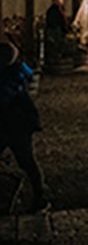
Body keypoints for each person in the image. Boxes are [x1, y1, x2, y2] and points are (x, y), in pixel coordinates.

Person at [0, 41, 50, 213]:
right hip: (17, 124)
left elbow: (4, 97)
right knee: (27, 161)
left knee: (27, 160)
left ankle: (40, 195)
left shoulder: (10, 76)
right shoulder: (18, 71)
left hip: (14, 125)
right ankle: (39, 194)